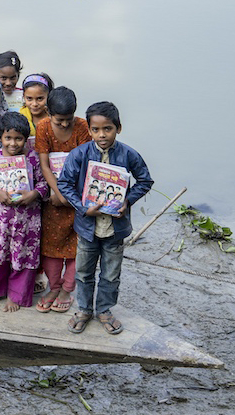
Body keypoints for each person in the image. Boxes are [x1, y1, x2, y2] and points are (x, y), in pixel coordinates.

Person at [58, 101, 154, 335]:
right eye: (96, 129)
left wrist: (127, 200)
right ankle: (83, 310)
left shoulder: (129, 154)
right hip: (88, 227)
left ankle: (104, 309)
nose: (102, 135)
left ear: (118, 128)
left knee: (111, 274)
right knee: (83, 272)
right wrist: (82, 208)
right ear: (89, 130)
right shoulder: (79, 155)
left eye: (107, 129)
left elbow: (145, 181)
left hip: (115, 229)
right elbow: (64, 183)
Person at [0, 112, 47, 311]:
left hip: (28, 219)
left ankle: (16, 296)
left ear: (25, 139)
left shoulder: (33, 158)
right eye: (8, 138)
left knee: (24, 255)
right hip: (1, 218)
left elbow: (44, 184)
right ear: (0, 137)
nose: (13, 143)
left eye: (18, 139)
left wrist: (34, 194)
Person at [34, 86, 91, 314]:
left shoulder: (83, 128)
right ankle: (54, 286)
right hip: (55, 199)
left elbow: (87, 164)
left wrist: (71, 197)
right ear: (49, 114)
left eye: (68, 120)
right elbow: (44, 165)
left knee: (76, 248)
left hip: (78, 198)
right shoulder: (43, 128)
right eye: (60, 121)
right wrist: (58, 193)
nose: (65, 125)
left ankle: (67, 289)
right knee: (51, 247)